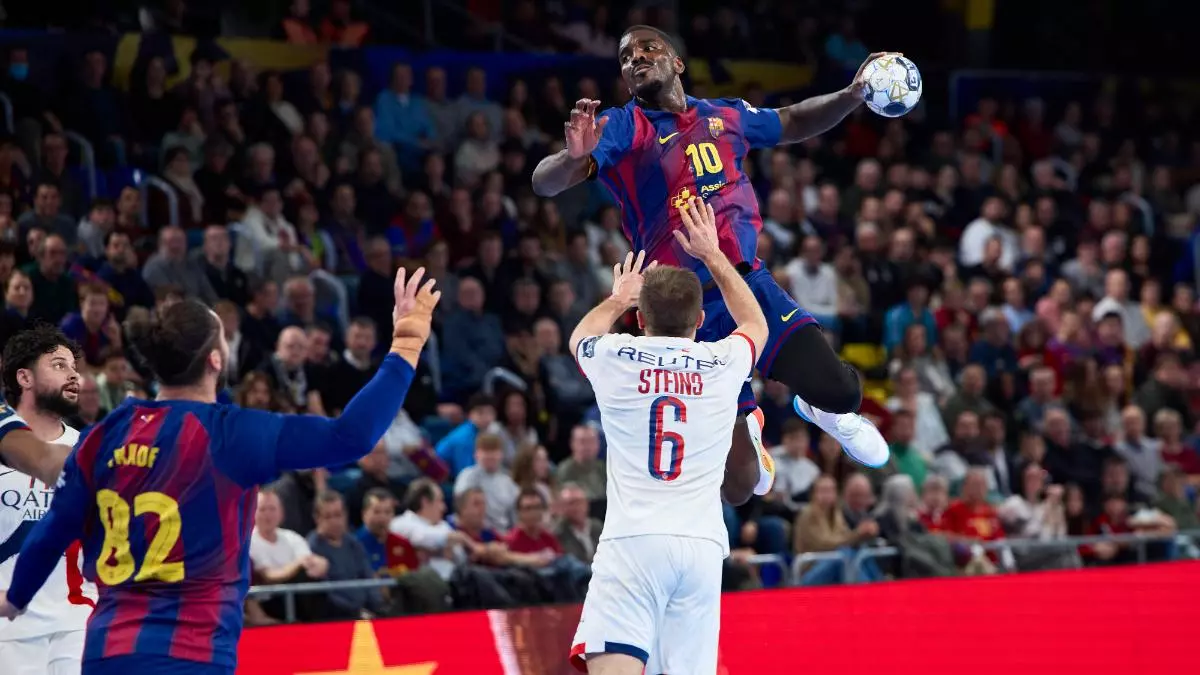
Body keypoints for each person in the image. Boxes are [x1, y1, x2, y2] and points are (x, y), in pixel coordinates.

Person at [0, 266, 440, 675]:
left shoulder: (105, 433)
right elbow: (353, 436)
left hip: (108, 652)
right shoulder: (232, 433)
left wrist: (16, 598)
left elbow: (54, 528)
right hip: (191, 654)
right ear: (215, 359)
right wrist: (406, 344)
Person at [531, 25, 892, 501]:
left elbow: (792, 121)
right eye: (626, 57)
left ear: (677, 63)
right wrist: (572, 159)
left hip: (744, 285)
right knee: (739, 488)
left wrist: (852, 94)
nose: (636, 58)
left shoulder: (725, 114)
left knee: (843, 393)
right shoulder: (624, 126)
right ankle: (751, 421)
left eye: (648, 48)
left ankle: (820, 411)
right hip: (681, 308)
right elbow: (544, 182)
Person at [566, 200, 766, 674]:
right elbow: (755, 324)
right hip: (701, 546)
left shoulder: (615, 357)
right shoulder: (722, 363)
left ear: (640, 319)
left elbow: (579, 337)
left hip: (633, 541)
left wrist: (619, 297)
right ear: (699, 322)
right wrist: (714, 255)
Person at [0, 326, 97, 675]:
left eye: (74, 367)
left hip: (79, 622)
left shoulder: (89, 448)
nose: (73, 376)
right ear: (24, 377)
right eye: (59, 365)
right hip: (8, 628)